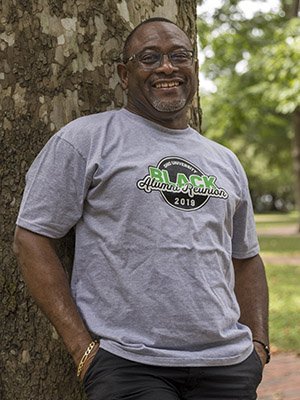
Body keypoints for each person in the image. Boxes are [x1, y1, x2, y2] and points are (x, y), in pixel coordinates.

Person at [13, 17, 270, 400]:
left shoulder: (224, 161)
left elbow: (245, 258)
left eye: (179, 56)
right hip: (129, 363)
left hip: (226, 365)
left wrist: (259, 348)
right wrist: (83, 350)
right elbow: (31, 237)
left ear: (194, 69)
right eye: (149, 58)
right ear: (123, 73)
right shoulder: (87, 139)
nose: (167, 67)